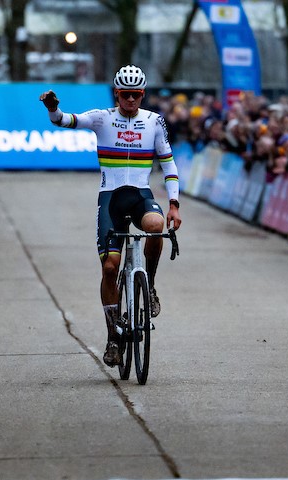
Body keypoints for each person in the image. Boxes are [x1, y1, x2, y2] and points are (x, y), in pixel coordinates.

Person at [39, 65, 183, 368]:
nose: (131, 100)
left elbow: (168, 165)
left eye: (136, 95)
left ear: (143, 95)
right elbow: (65, 121)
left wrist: (174, 203)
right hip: (111, 199)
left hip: (141, 194)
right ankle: (113, 339)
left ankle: (151, 285)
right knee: (109, 268)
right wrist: (53, 108)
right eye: (125, 95)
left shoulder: (154, 121)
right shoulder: (102, 118)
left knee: (156, 227)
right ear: (117, 93)